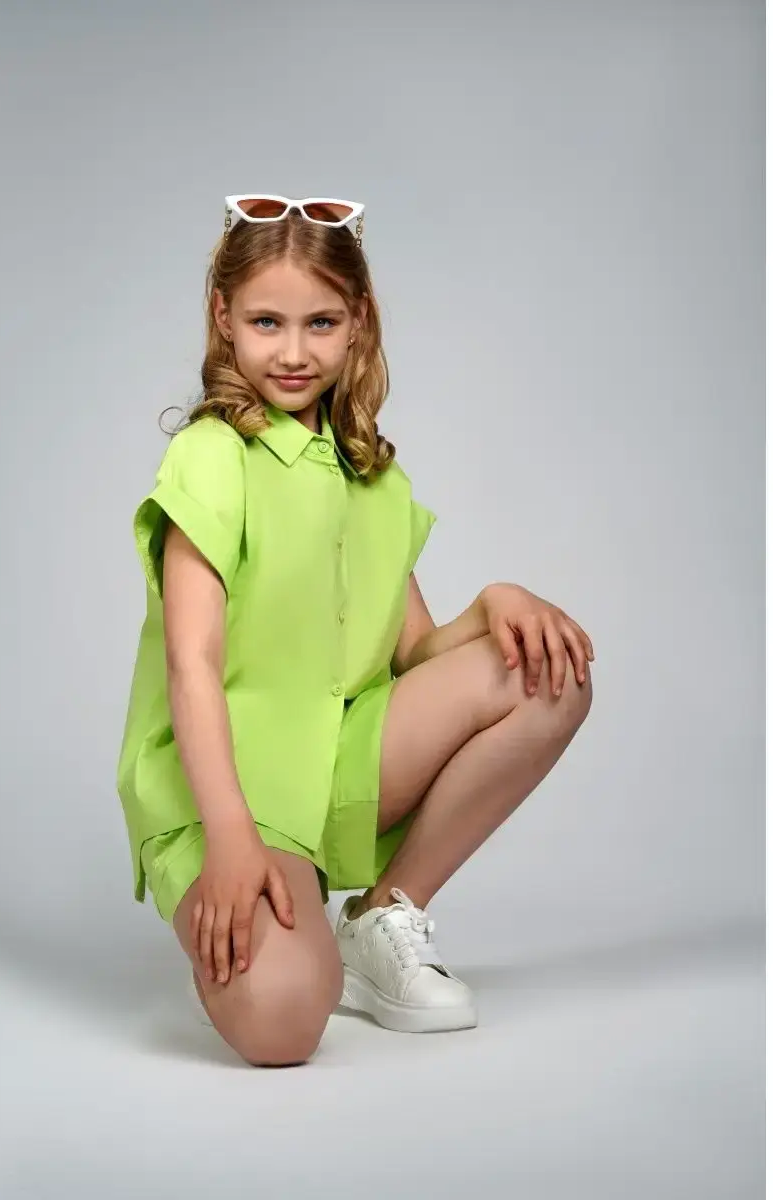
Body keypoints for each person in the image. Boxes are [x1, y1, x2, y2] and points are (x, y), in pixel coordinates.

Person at [117, 193, 594, 1067]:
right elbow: (192, 665)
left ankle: (380, 918)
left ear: (358, 322)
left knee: (545, 672)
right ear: (223, 318)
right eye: (266, 322)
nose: (294, 352)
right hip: (225, 790)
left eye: (321, 323)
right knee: (282, 1025)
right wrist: (230, 839)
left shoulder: (369, 473)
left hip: (338, 759)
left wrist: (495, 603)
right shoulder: (211, 456)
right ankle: (267, 929)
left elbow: (413, 654)